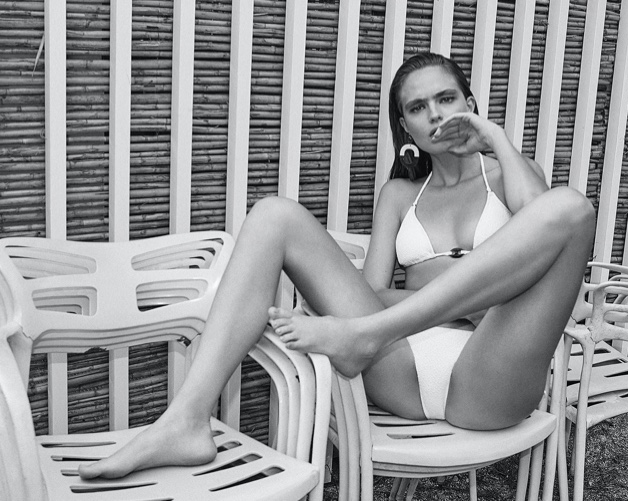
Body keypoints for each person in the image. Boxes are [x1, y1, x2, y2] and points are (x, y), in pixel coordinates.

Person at [79, 52, 594, 480]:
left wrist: (495, 139)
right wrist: (466, 299)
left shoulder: (510, 175)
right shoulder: (399, 195)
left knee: (571, 207)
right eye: (418, 107)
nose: (435, 115)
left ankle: (364, 336)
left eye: (447, 99)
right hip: (400, 369)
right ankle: (186, 420)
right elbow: (371, 292)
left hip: (491, 374)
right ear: (405, 126)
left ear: (470, 104)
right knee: (274, 214)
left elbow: (548, 234)